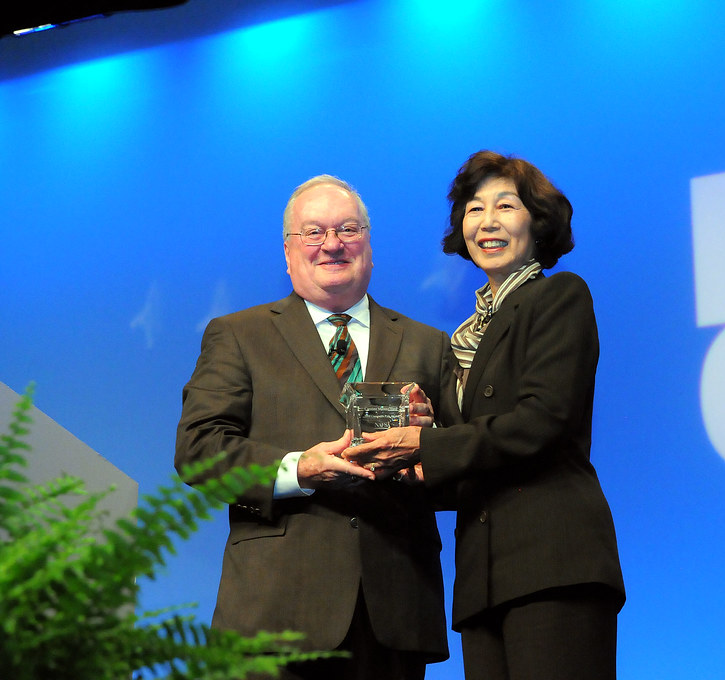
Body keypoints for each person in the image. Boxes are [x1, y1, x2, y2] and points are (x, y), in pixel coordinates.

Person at [345, 151, 626, 680]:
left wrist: (427, 446)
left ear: (537, 221)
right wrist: (420, 448)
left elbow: (542, 420)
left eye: (506, 205)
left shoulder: (559, 295)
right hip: (482, 577)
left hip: (554, 563)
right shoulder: (460, 343)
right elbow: (469, 461)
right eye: (475, 209)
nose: (488, 222)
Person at [174, 175, 450, 680]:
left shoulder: (428, 344)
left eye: (347, 228)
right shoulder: (239, 335)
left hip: (393, 613)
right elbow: (199, 449)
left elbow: (464, 463)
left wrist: (426, 449)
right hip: (272, 611)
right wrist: (299, 469)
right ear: (288, 250)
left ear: (369, 245)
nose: (332, 243)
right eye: (313, 232)